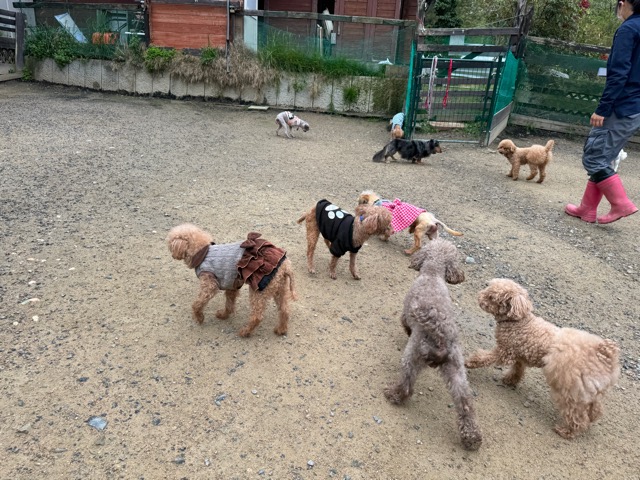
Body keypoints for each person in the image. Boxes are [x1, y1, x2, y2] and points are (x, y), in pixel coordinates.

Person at [565, 0, 639, 224]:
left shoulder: (629, 29)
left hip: (622, 105)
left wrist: (602, 109)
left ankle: (621, 204)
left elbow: (618, 72)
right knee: (604, 157)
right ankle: (587, 209)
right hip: (635, 107)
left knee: (594, 157)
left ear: (623, 4)